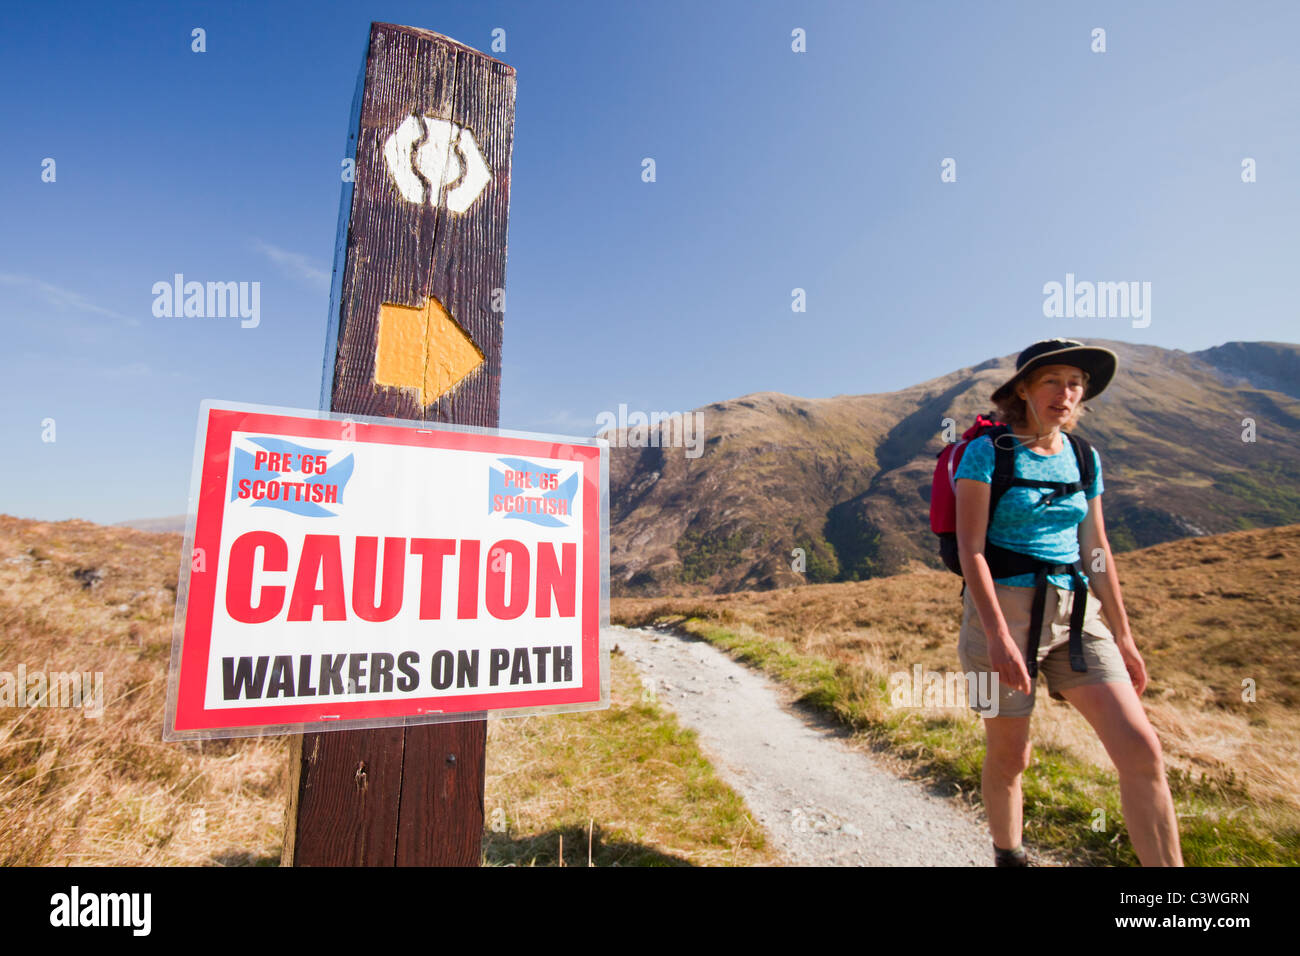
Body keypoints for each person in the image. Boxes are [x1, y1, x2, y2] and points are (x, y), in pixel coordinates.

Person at [953, 338, 1183, 867]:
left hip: (1077, 616)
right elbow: (971, 549)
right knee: (1012, 755)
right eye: (1053, 380)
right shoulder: (986, 453)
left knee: (1142, 750)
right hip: (1001, 615)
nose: (1067, 392)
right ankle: (1009, 854)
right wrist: (997, 636)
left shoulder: (1084, 456)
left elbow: (1096, 549)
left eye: (1076, 382)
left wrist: (1124, 635)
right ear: (1024, 391)